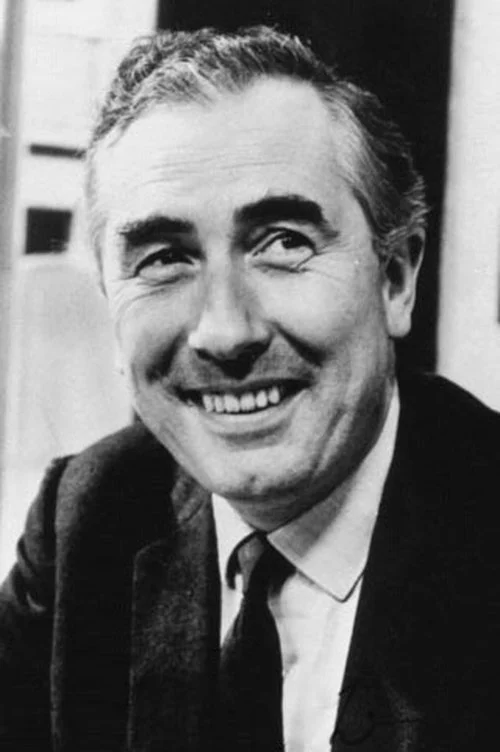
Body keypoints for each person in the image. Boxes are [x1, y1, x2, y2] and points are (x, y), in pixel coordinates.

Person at [0, 26, 498, 752]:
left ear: (395, 280)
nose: (225, 331)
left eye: (284, 243)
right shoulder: (90, 517)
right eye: (164, 258)